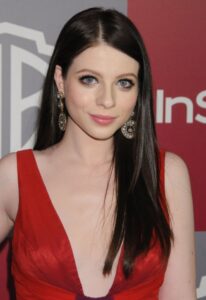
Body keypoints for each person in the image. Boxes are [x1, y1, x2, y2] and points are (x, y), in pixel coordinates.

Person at [0, 7, 196, 300]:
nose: (107, 100)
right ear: (60, 80)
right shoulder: (14, 176)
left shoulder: (166, 175)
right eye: (90, 79)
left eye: (124, 82)